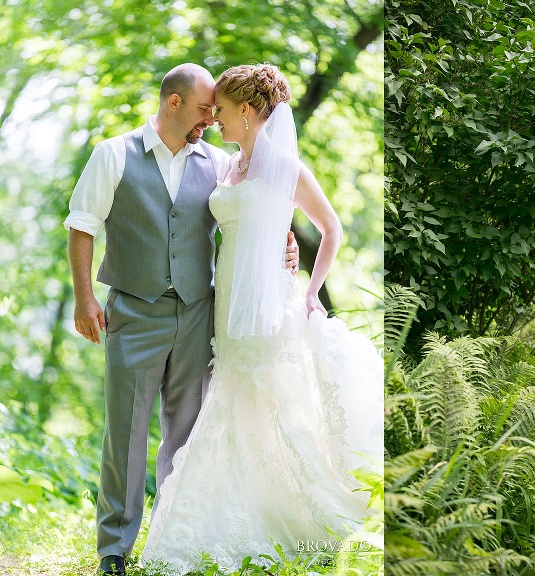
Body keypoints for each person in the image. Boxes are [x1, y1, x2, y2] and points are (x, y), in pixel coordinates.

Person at [140, 64, 383, 573]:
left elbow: (332, 228)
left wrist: (311, 289)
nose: (216, 119)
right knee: (230, 399)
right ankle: (238, 503)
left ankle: (290, 510)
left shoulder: (285, 166)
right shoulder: (227, 166)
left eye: (222, 111)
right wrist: (280, 239)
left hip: (269, 304)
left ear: (247, 112)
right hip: (225, 301)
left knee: (270, 402)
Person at [64, 63, 298, 576]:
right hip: (132, 313)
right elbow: (82, 228)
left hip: (198, 314)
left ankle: (172, 541)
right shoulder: (113, 155)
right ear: (173, 103)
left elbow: (254, 203)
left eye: (216, 112)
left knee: (188, 432)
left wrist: (284, 235)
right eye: (202, 110)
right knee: (124, 432)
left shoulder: (217, 162)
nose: (211, 120)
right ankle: (113, 550)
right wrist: (85, 300)